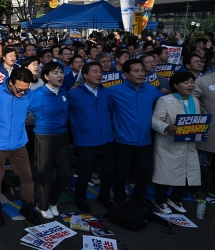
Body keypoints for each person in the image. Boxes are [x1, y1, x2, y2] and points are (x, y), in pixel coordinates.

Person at [0, 67, 41, 226]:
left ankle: (28, 208)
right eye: (19, 89)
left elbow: (39, 108)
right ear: (10, 82)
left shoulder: (28, 95)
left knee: (27, 179)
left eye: (25, 89)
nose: (22, 93)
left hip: (19, 144)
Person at [110, 59, 163, 209]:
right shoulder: (114, 91)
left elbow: (166, 103)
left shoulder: (152, 90)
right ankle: (119, 197)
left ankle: (139, 195)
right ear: (126, 74)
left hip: (145, 140)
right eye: (136, 71)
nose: (141, 74)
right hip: (123, 139)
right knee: (121, 172)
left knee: (146, 171)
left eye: (142, 70)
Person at [67, 62, 115, 213]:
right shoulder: (73, 94)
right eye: (95, 71)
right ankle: (80, 199)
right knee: (85, 173)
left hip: (106, 139)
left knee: (108, 172)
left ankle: (104, 197)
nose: (99, 74)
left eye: (100, 72)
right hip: (86, 141)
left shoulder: (106, 92)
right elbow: (67, 114)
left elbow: (110, 111)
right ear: (85, 76)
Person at [150, 72, 201, 214]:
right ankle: (160, 201)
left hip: (188, 144)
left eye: (192, 82)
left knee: (187, 174)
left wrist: (202, 131)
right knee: (165, 174)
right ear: (176, 85)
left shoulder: (195, 101)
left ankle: (175, 199)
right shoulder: (165, 100)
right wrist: (167, 127)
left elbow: (198, 120)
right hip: (168, 144)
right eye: (186, 82)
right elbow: (155, 120)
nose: (190, 85)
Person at [29, 62, 72, 219]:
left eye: (61, 72)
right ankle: (42, 205)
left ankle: (53, 202)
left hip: (62, 135)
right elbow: (24, 109)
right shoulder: (38, 94)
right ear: (46, 76)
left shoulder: (63, 91)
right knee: (45, 174)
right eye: (55, 72)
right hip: (44, 137)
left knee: (66, 172)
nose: (60, 75)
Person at [193, 71, 215, 198]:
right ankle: (198, 189)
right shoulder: (203, 81)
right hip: (207, 128)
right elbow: (188, 98)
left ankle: (213, 189)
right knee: (202, 161)